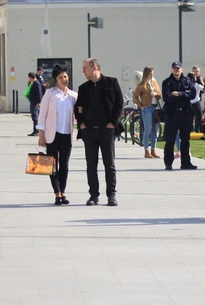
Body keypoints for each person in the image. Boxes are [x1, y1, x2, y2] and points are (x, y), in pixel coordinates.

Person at [74, 58, 124, 206]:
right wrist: (81, 123)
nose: (83, 71)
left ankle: (111, 195)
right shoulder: (83, 88)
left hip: (106, 131)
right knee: (91, 165)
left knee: (109, 164)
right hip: (89, 131)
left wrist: (112, 123)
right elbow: (78, 107)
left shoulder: (112, 83)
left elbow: (119, 104)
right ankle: (93, 195)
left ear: (94, 67)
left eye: (85, 68)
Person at [37, 65, 78, 205]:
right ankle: (57, 193)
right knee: (52, 164)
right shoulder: (50, 94)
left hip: (67, 134)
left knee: (64, 165)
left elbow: (78, 114)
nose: (64, 79)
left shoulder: (73, 95)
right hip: (52, 134)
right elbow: (42, 115)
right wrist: (41, 134)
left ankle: (64, 192)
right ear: (56, 80)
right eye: (61, 77)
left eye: (65, 76)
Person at [162, 62, 198, 171]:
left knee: (185, 140)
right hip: (172, 115)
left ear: (182, 70)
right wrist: (183, 95)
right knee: (170, 140)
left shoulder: (187, 81)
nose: (176, 70)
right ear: (171, 69)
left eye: (178, 68)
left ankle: (186, 163)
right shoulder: (167, 82)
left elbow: (192, 94)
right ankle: (168, 163)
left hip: (185, 115)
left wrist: (179, 94)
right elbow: (167, 97)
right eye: (175, 68)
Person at [133, 66, 162, 159]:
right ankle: (146, 150)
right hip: (147, 108)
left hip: (155, 108)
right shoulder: (141, 85)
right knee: (148, 130)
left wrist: (156, 94)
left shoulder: (154, 83)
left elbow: (160, 94)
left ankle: (153, 149)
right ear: (146, 74)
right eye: (150, 74)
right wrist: (141, 105)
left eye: (152, 74)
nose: (151, 76)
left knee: (155, 130)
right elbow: (135, 96)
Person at [27, 71, 44, 136]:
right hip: (33, 101)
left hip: (35, 102)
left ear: (31, 77)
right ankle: (35, 130)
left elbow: (39, 93)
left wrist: (39, 102)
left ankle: (36, 130)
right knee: (34, 116)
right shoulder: (34, 83)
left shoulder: (36, 83)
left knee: (35, 116)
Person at [191, 66, 205, 133]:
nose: (196, 73)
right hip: (191, 101)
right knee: (190, 116)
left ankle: (198, 129)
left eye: (198, 71)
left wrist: (202, 82)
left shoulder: (200, 79)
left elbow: (203, 89)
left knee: (198, 116)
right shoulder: (190, 79)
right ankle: (191, 130)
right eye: (195, 71)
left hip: (197, 99)